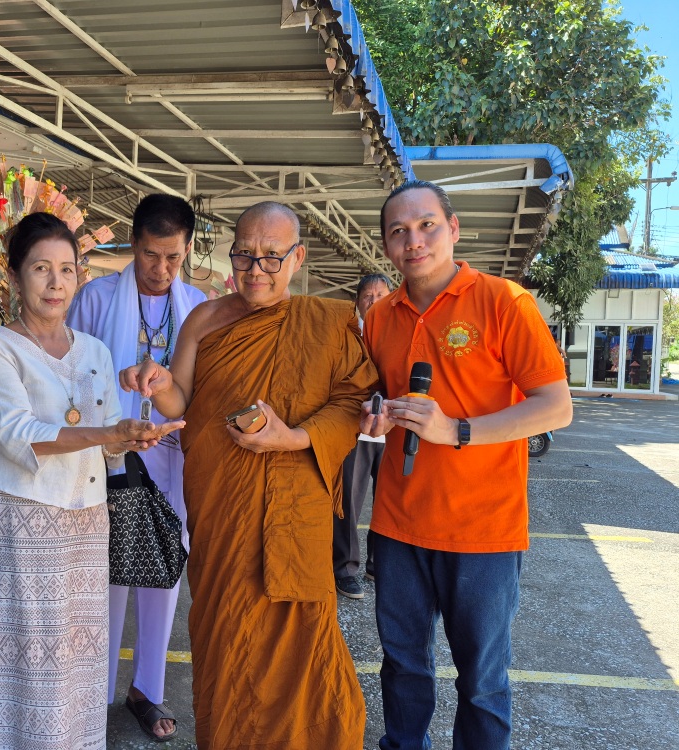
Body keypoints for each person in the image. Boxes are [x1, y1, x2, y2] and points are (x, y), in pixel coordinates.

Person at [121, 201, 377, 749]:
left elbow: (352, 403)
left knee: (304, 647)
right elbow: (180, 399)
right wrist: (157, 383)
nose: (255, 269)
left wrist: (292, 437)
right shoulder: (204, 319)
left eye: (271, 257)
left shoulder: (326, 323)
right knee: (226, 636)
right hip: (221, 513)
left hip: (296, 516)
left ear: (298, 258)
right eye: (244, 255)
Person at [360, 180, 573, 750]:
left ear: (453, 229)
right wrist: (376, 414)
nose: (414, 240)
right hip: (399, 524)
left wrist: (456, 430)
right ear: (386, 245)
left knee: (481, 682)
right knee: (402, 667)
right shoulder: (380, 318)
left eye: (426, 225)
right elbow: (374, 397)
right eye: (398, 231)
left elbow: (555, 407)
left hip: (484, 529)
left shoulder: (505, 302)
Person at [0, 212, 182, 750]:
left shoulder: (94, 350)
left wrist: (133, 438)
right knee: (27, 649)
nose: (56, 282)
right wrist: (108, 432)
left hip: (87, 517)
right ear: (15, 277)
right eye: (41, 268)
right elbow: (16, 434)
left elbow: (106, 441)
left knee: (79, 651)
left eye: (67, 269)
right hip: (21, 515)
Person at [66, 193, 205, 741]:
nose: (161, 269)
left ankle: (147, 689)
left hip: (170, 458)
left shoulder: (197, 306)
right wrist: (113, 412)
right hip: (107, 457)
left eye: (173, 257)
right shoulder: (95, 298)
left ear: (187, 249)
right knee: (104, 575)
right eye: (150, 254)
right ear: (133, 243)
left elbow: (201, 389)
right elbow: (70, 378)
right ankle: (93, 689)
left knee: (162, 571)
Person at [333, 272, 394, 599]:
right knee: (348, 502)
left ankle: (376, 562)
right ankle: (344, 568)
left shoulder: (400, 333)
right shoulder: (346, 335)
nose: (374, 301)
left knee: (388, 501)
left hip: (392, 430)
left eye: (380, 295)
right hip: (354, 430)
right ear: (357, 301)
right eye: (368, 296)